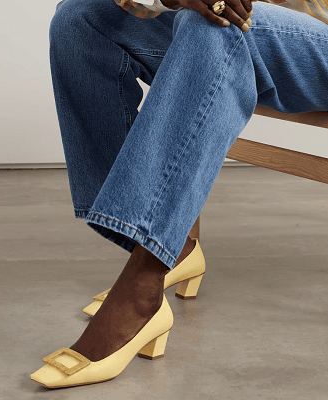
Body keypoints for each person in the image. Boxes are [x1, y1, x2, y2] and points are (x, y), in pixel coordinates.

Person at [30, 0, 328, 389]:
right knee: (82, 17)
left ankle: (144, 282)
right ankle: (173, 245)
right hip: (267, 31)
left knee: (216, 23)